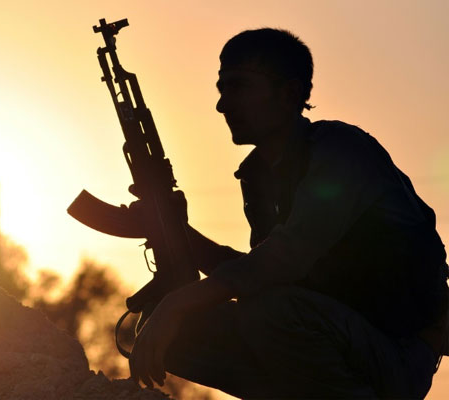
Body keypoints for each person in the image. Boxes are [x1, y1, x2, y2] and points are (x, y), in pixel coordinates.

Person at [128, 28, 449, 399]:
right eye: (221, 88)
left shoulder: (342, 152)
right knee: (176, 333)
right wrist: (175, 231)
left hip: (397, 353)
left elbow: (285, 257)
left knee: (268, 312)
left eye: (238, 87)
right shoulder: (260, 175)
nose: (222, 105)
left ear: (289, 94)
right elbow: (260, 271)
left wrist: (179, 302)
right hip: (336, 335)